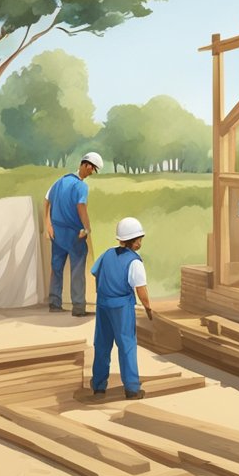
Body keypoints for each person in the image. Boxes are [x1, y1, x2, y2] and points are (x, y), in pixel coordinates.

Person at [90, 217, 153, 400]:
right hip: (122, 307)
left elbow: (95, 272)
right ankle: (132, 389)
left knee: (102, 344)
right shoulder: (135, 262)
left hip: (103, 304)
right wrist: (148, 308)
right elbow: (141, 290)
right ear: (132, 241)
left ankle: (99, 387)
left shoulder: (107, 254)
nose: (140, 242)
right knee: (126, 345)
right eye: (139, 239)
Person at [44, 151, 103, 316]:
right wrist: (87, 228)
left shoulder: (60, 181)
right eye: (92, 169)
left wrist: (47, 222)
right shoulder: (81, 186)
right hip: (74, 234)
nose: (92, 172)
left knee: (56, 268)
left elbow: (46, 199)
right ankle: (78, 308)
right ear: (85, 165)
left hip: (57, 232)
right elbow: (81, 207)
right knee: (77, 270)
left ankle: (54, 304)